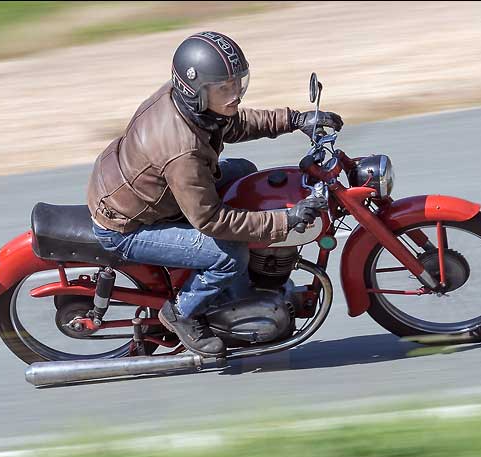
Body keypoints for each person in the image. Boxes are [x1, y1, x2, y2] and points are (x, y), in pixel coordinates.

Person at [87, 31, 343, 358]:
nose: (235, 95)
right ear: (196, 90)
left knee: (246, 174)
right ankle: (181, 312)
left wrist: (295, 119)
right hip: (130, 225)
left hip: (142, 190)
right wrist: (285, 221)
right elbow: (210, 219)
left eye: (238, 84)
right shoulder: (183, 149)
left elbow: (233, 123)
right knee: (229, 256)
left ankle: (241, 290)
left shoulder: (190, 103)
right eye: (225, 88)